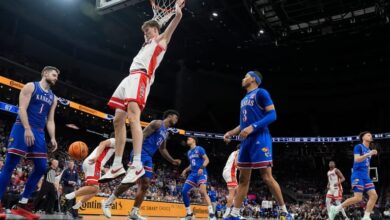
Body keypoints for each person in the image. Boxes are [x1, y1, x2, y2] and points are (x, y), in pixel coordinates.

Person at [100, 0, 185, 184]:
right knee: (117, 120)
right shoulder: (145, 45)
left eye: (147, 31)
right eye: (144, 31)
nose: (145, 33)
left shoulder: (161, 41)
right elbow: (151, 30)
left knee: (133, 118)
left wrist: (177, 13)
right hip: (129, 78)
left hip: (141, 78)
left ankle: (136, 164)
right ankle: (116, 165)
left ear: (155, 31)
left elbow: (173, 24)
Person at [223, 71, 290, 220]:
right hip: (246, 141)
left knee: (266, 177)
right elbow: (242, 125)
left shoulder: (261, 92)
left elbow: (272, 115)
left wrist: (253, 127)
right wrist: (230, 132)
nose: (243, 78)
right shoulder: (243, 100)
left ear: (253, 79)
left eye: (246, 76)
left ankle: (284, 211)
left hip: (260, 137)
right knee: (243, 180)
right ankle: (235, 213)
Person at [0, 66, 59, 219]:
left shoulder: (54, 98)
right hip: (22, 127)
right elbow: (22, 108)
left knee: (41, 168)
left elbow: (50, 120)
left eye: (57, 77)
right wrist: (27, 128)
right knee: (10, 165)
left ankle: (22, 204)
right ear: (45, 73)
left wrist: (52, 137)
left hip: (39, 131)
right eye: (54, 75)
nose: (56, 78)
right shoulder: (30, 86)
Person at [101, 110, 181, 219]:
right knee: (132, 179)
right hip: (141, 152)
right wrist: (136, 154)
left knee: (145, 184)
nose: (177, 120)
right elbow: (142, 135)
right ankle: (107, 202)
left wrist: (172, 160)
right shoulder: (157, 123)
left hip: (149, 157)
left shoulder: (165, 132)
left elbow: (162, 149)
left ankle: (134, 212)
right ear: (170, 116)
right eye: (176, 117)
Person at [329, 131, 378, 220]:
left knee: (374, 196)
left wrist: (368, 176)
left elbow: (368, 165)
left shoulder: (369, 150)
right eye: (368, 135)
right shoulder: (358, 147)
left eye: (371, 135)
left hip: (365, 176)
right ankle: (336, 209)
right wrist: (369, 154)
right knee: (358, 198)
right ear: (363, 137)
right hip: (357, 174)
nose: (370, 136)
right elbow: (357, 159)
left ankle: (366, 217)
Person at [63, 138, 116, 216]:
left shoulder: (114, 145)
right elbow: (102, 143)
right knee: (94, 188)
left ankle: (78, 205)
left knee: (95, 190)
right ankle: (70, 195)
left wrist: (104, 170)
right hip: (94, 163)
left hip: (91, 163)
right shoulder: (115, 140)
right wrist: (97, 157)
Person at [181, 136, 216, 220]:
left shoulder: (199, 148)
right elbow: (191, 164)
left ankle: (211, 213)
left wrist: (201, 168)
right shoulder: (189, 152)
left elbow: (207, 160)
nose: (187, 140)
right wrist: (185, 170)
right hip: (193, 174)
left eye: (189, 138)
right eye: (187, 139)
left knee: (202, 191)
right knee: (184, 191)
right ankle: (189, 214)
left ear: (194, 140)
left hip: (201, 173)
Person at [222, 144, 239, 218]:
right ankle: (228, 212)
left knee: (237, 192)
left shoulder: (233, 152)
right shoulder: (239, 152)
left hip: (227, 172)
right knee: (234, 193)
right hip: (230, 173)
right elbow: (236, 164)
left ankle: (233, 211)